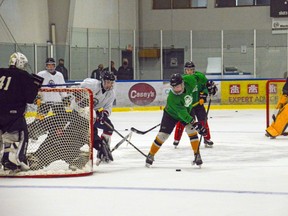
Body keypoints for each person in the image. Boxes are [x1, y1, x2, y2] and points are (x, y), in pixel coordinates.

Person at [145, 73, 207, 168]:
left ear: (182, 83)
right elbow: (183, 115)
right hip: (171, 114)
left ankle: (197, 154)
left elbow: (199, 77)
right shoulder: (172, 98)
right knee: (162, 135)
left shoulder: (190, 81)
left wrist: (208, 84)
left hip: (187, 109)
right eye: (174, 87)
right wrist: (195, 123)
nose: (176, 89)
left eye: (178, 86)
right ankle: (151, 154)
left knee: (192, 131)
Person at [0, 52, 43, 172]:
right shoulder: (23, 75)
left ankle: (6, 159)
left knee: (7, 137)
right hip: (13, 112)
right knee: (23, 135)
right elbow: (30, 98)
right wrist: (36, 85)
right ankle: (19, 159)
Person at [173, 61, 218, 148]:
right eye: (187, 70)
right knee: (184, 122)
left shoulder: (199, 77)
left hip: (198, 105)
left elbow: (204, 87)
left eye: (191, 70)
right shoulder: (182, 80)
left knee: (203, 120)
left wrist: (203, 96)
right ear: (185, 70)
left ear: (194, 70)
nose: (189, 71)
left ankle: (206, 138)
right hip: (187, 106)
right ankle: (176, 139)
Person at [80, 70, 116, 165]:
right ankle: (100, 146)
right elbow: (78, 88)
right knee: (91, 134)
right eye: (108, 82)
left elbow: (108, 108)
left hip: (95, 114)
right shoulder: (92, 84)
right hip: (82, 112)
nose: (110, 85)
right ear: (102, 81)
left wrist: (104, 114)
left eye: (112, 83)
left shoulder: (111, 93)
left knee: (109, 128)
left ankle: (103, 149)